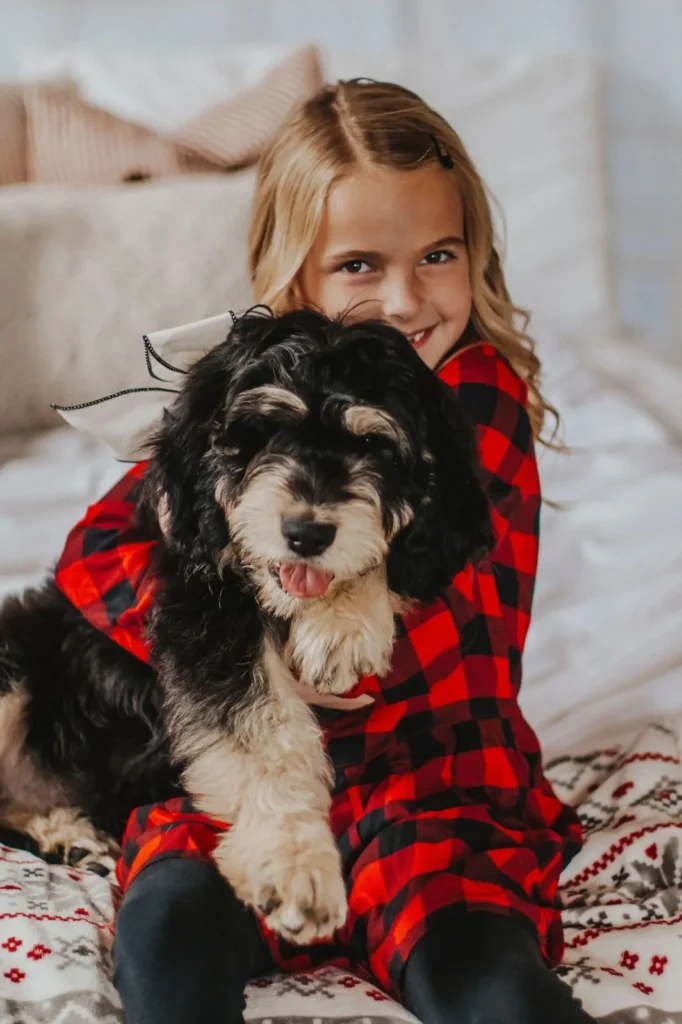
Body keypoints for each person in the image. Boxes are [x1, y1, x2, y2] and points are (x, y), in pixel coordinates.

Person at [53, 80, 593, 1023]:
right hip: (250, 776)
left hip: (428, 777)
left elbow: (448, 617)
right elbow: (99, 551)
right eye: (358, 265)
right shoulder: (261, 388)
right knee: (166, 936)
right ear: (297, 274)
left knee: (489, 979)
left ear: (477, 256)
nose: (403, 298)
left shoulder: (474, 402)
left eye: (437, 255)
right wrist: (212, 637)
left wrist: (299, 617)